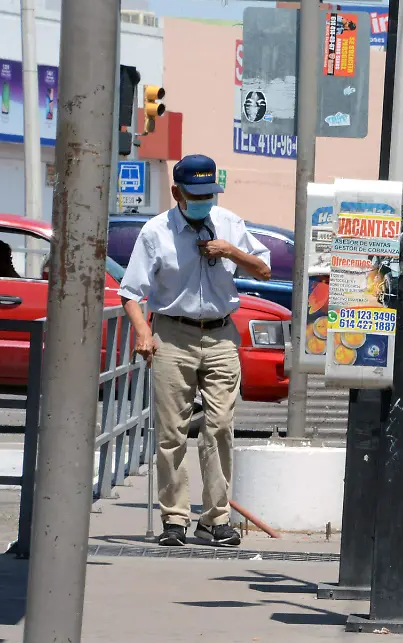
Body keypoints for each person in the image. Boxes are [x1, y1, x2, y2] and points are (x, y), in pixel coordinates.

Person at [118, 154, 272, 547]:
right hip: (173, 335)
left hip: (221, 335)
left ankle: (216, 519)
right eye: (196, 195)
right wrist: (142, 334)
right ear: (177, 193)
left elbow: (263, 269)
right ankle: (175, 518)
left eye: (210, 194)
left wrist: (230, 252)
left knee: (219, 427)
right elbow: (131, 292)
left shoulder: (230, 224)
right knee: (172, 433)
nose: (205, 201)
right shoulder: (156, 233)